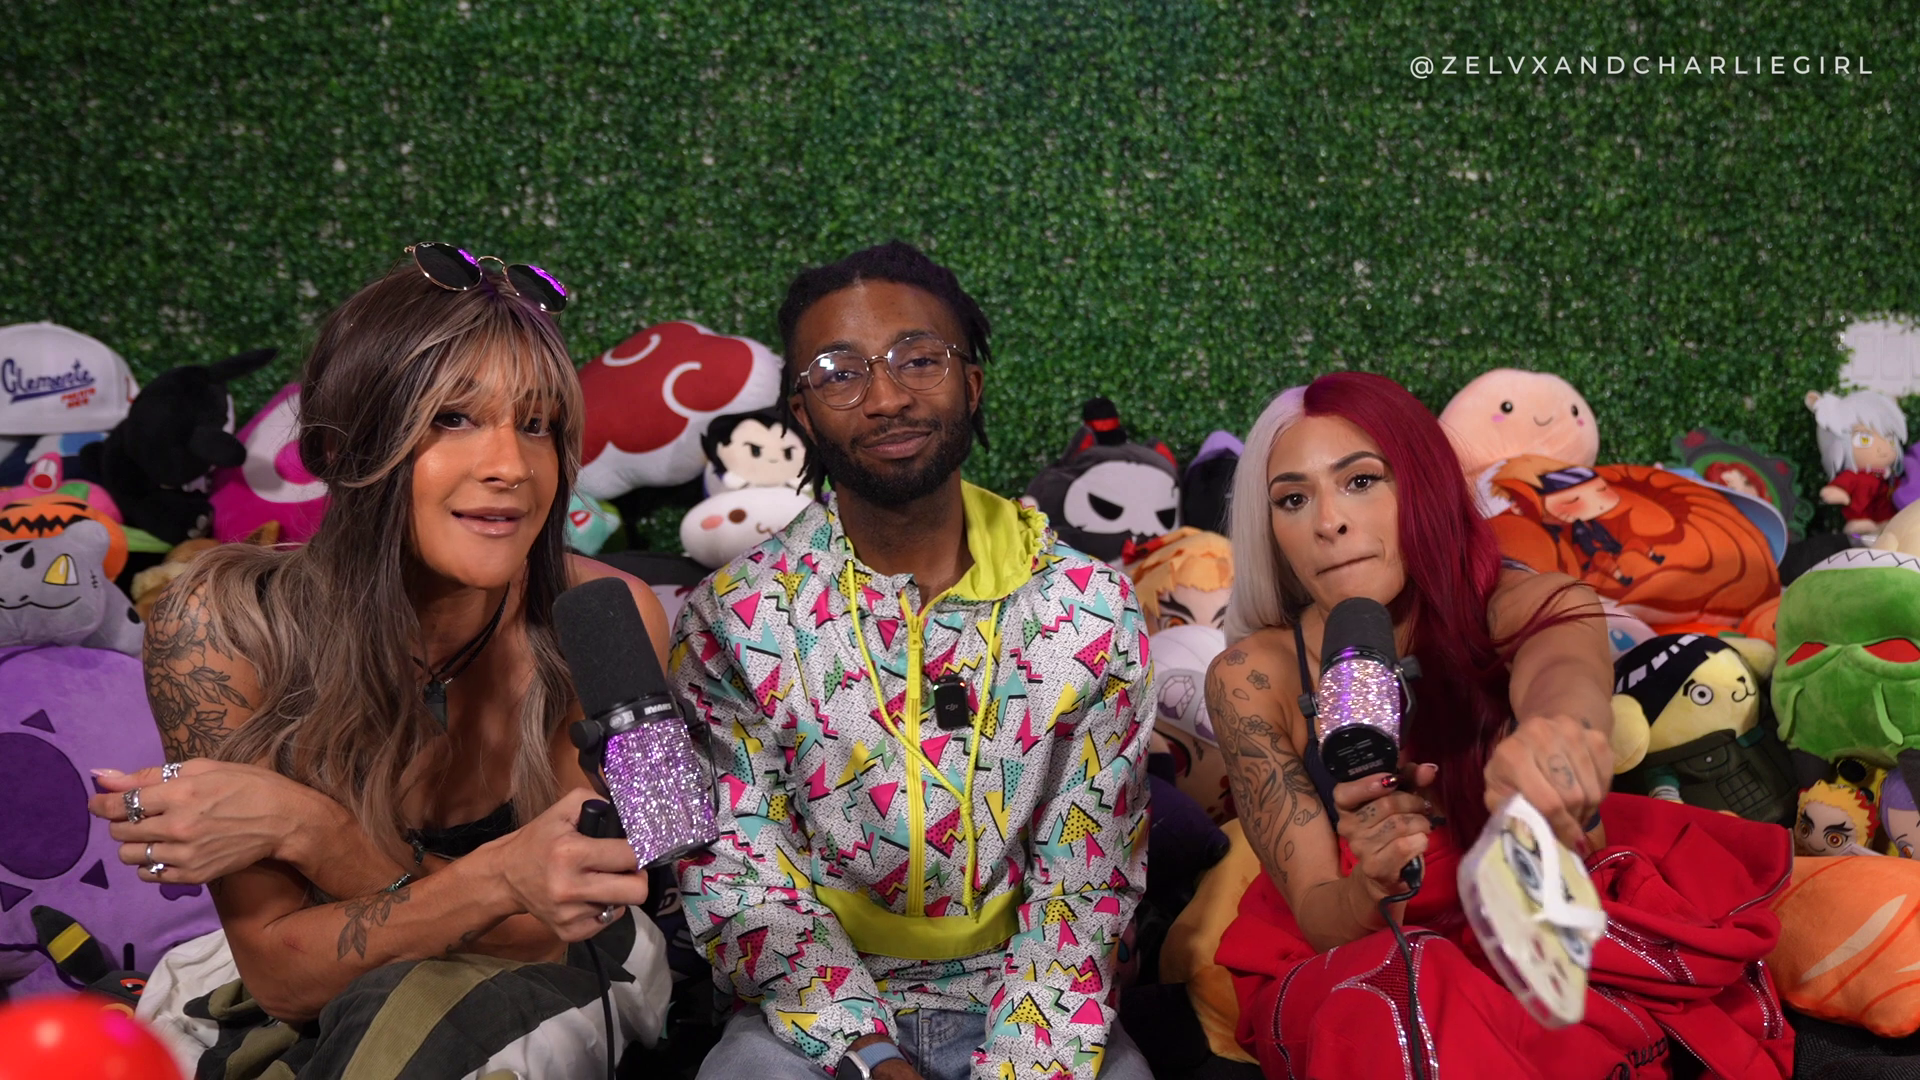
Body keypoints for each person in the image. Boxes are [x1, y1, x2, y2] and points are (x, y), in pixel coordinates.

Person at [85, 245, 672, 1076]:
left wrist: (312, 828)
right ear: (342, 447)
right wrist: (503, 877)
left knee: (408, 1016)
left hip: (569, 980)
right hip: (315, 988)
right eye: (452, 418)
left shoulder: (613, 618)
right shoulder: (216, 626)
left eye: (537, 425)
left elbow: (559, 926)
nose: (510, 467)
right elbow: (279, 972)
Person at [1208, 374, 1794, 1080]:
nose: (1327, 522)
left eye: (1360, 482)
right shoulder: (1252, 677)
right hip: (1366, 955)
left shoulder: (1525, 604)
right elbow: (1318, 914)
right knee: (1399, 987)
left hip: (1532, 917)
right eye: (1294, 499)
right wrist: (1372, 887)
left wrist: (1556, 741)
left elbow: (1564, 674)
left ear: (1423, 487)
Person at [672, 241, 1154, 1080]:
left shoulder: (1091, 608)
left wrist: (1022, 1065)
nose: (888, 397)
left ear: (972, 382)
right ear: (802, 413)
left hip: (1031, 999)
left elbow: (1087, 883)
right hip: (808, 1017)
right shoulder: (731, 616)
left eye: (919, 359)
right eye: (840, 373)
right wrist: (869, 1057)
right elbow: (739, 873)